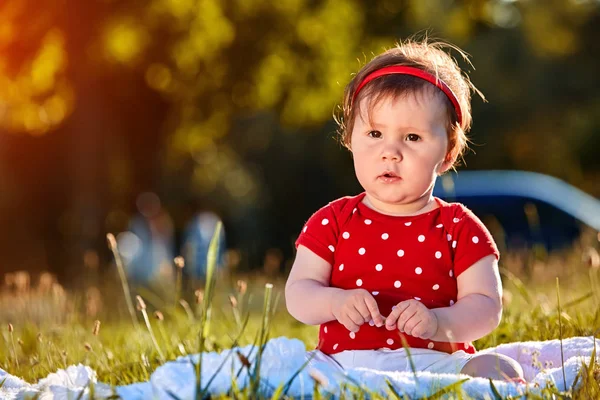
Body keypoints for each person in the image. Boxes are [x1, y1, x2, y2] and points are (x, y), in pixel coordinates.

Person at [285, 37, 524, 382]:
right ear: (350, 138)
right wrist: (334, 302)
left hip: (433, 366)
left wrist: (439, 323)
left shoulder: (458, 226)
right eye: (375, 133)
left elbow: (486, 307)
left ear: (448, 153)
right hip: (341, 365)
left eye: (412, 138)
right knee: (277, 367)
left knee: (499, 370)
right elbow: (298, 294)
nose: (390, 152)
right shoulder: (333, 221)